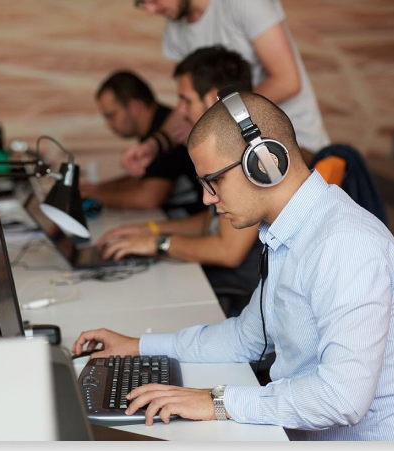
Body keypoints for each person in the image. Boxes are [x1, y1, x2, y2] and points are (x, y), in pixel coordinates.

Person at [72, 91, 394, 441]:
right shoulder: (287, 233)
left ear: (265, 162)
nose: (206, 198)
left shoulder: (345, 245)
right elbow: (245, 338)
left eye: (213, 180)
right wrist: (140, 345)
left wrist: (217, 401)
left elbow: (341, 398)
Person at [99, 47, 262, 298]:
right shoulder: (227, 143)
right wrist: (151, 230)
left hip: (244, 286)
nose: (180, 111)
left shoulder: (248, 154)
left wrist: (159, 243)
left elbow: (229, 251)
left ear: (211, 99)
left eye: (185, 100)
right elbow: (213, 222)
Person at [122, 0, 330, 175]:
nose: (150, 9)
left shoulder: (244, 3)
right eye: (142, 3)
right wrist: (154, 145)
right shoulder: (175, 29)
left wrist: (218, 116)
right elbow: (191, 100)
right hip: (242, 152)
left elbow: (287, 81)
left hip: (296, 148)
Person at [84, 70, 206, 218]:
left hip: (199, 223)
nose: (108, 124)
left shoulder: (166, 128)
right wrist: (97, 189)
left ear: (134, 106)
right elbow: (143, 178)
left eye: (111, 115)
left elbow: (149, 198)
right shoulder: (156, 129)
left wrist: (92, 197)